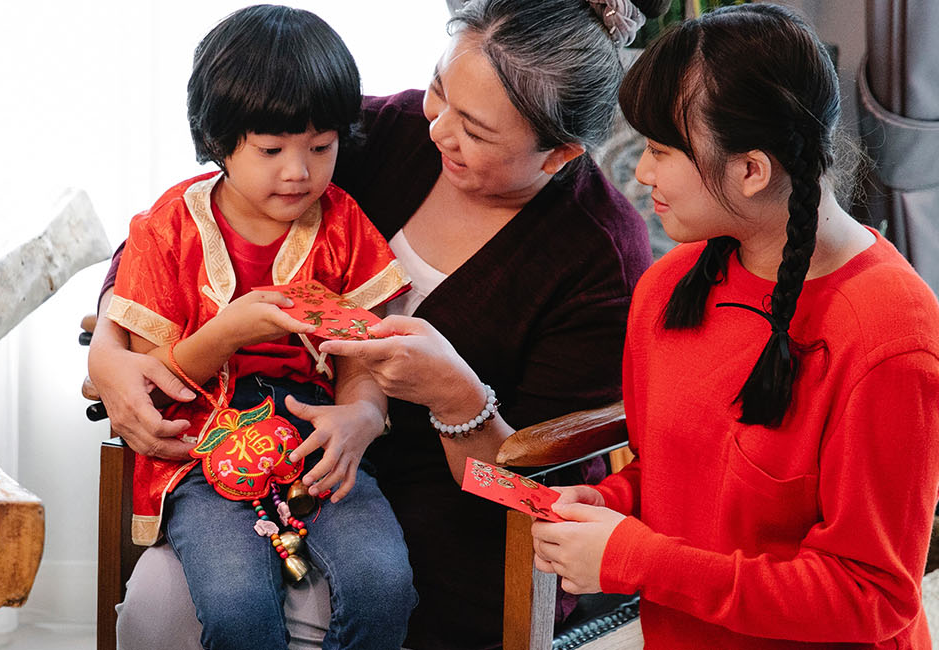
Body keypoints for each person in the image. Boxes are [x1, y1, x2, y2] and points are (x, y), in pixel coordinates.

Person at [90, 1, 660, 648]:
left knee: (350, 592)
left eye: (474, 130)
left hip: (448, 527)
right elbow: (200, 214)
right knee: (163, 605)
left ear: (558, 155)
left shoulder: (599, 258)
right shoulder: (386, 131)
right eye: (440, 90)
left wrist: (456, 397)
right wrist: (109, 348)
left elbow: (527, 495)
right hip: (276, 461)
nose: (439, 129)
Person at [529, 4, 939, 648]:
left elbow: (873, 596)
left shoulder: (891, 337)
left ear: (751, 170)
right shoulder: (670, 287)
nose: (640, 173)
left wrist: (643, 561)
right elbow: (668, 469)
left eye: (662, 152)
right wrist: (612, 503)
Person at [105, 6, 418, 649]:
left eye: (321, 147)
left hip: (317, 443)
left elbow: (361, 353)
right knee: (237, 602)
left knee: (385, 585)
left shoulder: (343, 226)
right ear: (218, 141)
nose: (298, 172)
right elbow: (159, 381)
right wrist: (231, 330)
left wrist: (361, 414)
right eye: (272, 149)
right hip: (200, 452)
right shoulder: (167, 230)